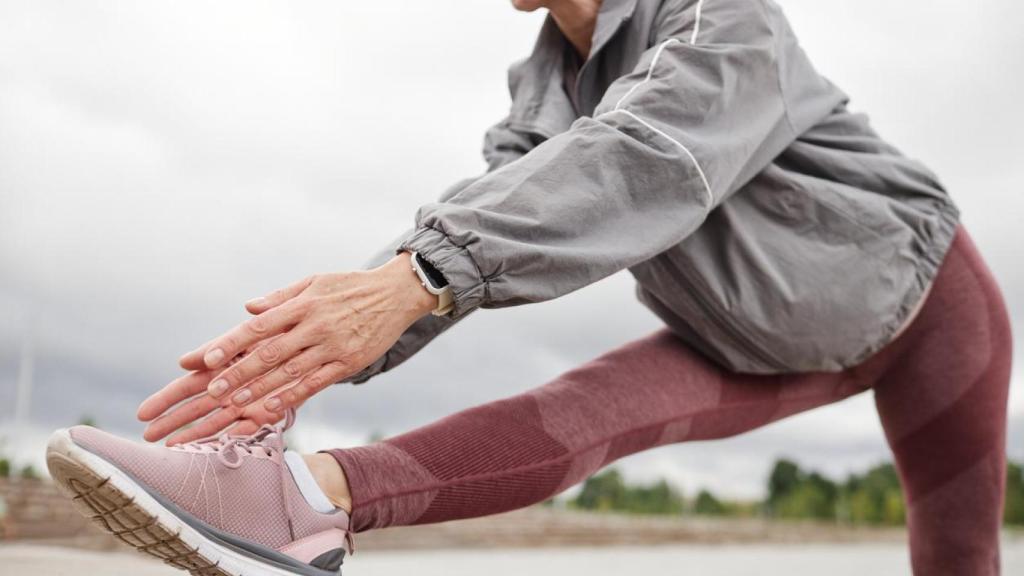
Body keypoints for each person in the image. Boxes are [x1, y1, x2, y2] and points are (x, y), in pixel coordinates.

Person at [47, 1, 1011, 575]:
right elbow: (476, 218)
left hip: (920, 304)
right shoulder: (542, 91)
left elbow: (647, 155)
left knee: (956, 563)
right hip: (748, 343)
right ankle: (286, 504)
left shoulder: (724, 15)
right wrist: (295, 367)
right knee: (575, 408)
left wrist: (421, 275)